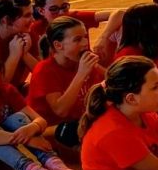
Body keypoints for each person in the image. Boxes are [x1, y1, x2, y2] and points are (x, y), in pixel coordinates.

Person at [27, 17, 106, 149]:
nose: (85, 43)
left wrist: (98, 67)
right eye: (77, 39)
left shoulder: (81, 61)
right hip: (51, 130)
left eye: (85, 37)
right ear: (58, 45)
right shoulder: (45, 70)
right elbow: (61, 110)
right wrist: (81, 74)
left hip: (78, 124)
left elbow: (115, 81)